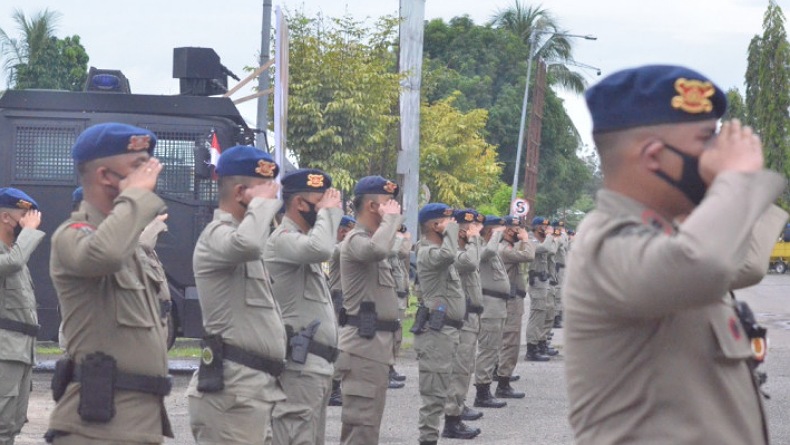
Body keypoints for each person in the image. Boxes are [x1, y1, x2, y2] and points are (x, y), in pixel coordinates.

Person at [564, 65, 787, 445]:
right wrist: (736, 180)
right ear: (654, 156)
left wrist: (729, 191)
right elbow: (705, 264)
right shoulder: (607, 243)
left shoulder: (669, 238)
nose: (717, 156)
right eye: (706, 141)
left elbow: (745, 264)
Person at [46, 122, 173, 444]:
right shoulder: (73, 235)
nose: (151, 174)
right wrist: (137, 198)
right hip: (95, 429)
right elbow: (106, 254)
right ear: (105, 176)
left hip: (136, 423)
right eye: (138, 166)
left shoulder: (129, 246)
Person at [186, 145, 285, 445]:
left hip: (253, 390)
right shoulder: (216, 235)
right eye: (266, 192)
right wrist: (262, 207)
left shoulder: (244, 239)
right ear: (241, 192)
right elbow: (248, 244)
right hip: (231, 394)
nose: (274, 200)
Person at [264, 168, 342, 445]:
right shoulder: (283, 239)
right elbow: (322, 249)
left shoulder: (302, 242)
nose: (326, 207)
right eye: (319, 201)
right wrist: (329, 213)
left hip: (315, 367)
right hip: (299, 367)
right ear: (299, 203)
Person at [337, 176, 402, 445]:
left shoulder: (373, 240)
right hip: (362, 347)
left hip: (376, 347)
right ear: (373, 206)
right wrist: (391, 220)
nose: (395, 207)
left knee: (369, 424)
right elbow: (377, 250)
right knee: (361, 426)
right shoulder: (356, 240)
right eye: (388, 202)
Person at [414, 203, 478, 444]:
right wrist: (452, 232)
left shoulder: (441, 251)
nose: (455, 226)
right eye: (449, 221)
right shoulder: (427, 252)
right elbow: (449, 255)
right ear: (434, 225)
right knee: (433, 396)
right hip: (436, 333)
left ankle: (438, 432)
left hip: (448, 331)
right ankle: (427, 439)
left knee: (442, 391)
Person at [0, 188, 43, 445]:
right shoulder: (13, 257)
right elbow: (11, 264)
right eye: (24, 217)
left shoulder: (14, 252)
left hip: (21, 351)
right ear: (6, 217)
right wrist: (29, 233)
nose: (29, 223)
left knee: (13, 424)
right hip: (4, 351)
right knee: (1, 424)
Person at [443, 209, 485, 433]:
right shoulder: (453, 252)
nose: (475, 231)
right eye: (470, 228)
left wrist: (474, 240)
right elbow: (470, 262)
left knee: (467, 366)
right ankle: (452, 418)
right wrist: (474, 239)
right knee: (459, 368)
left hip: (472, 316)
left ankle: (459, 406)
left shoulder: (468, 249)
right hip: (461, 318)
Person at [472, 216, 509, 409]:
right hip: (489, 305)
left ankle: (486, 388)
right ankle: (482, 392)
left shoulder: (493, 249)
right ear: (489, 231)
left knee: (493, 348)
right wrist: (495, 236)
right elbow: (487, 253)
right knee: (487, 349)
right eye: (498, 231)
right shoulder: (480, 247)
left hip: (498, 305)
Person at [496, 216, 534, 396]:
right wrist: (525, 240)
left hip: (512, 298)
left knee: (508, 339)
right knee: (510, 341)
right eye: (517, 230)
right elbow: (529, 255)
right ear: (508, 230)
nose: (520, 233)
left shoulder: (508, 247)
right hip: (510, 300)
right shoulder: (504, 249)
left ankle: (502, 374)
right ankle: (503, 383)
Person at [327, 215, 356, 407]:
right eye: (349, 230)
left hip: (345, 295)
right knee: (343, 341)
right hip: (340, 296)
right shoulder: (337, 248)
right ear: (342, 231)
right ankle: (333, 387)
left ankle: (336, 384)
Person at [524, 217, 556, 362]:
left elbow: (552, 251)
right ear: (537, 227)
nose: (546, 229)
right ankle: (531, 349)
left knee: (544, 315)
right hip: (536, 282)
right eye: (544, 227)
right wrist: (549, 236)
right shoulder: (530, 239)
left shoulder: (542, 240)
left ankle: (540, 344)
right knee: (536, 316)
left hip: (544, 281)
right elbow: (545, 249)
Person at [388, 224, 411, 389]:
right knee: (390, 336)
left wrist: (404, 239)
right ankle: (385, 370)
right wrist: (400, 238)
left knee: (397, 336)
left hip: (399, 298)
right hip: (391, 298)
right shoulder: (388, 249)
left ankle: (390, 367)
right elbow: (393, 252)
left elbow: (404, 253)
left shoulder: (396, 252)